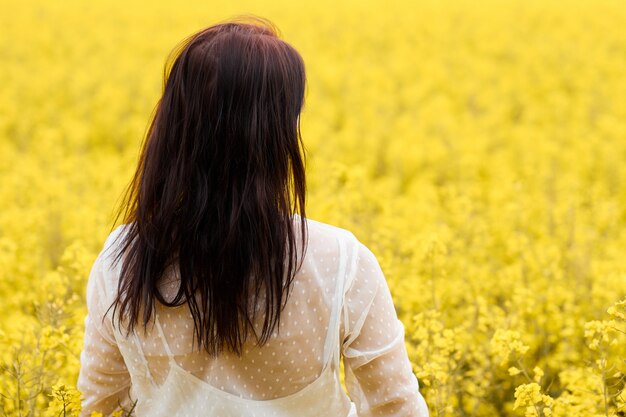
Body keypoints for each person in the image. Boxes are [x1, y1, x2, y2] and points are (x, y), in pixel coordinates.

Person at [76, 16, 429, 417]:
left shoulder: (122, 261)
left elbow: (99, 407)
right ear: (275, 134)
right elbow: (397, 409)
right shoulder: (343, 264)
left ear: (174, 125)